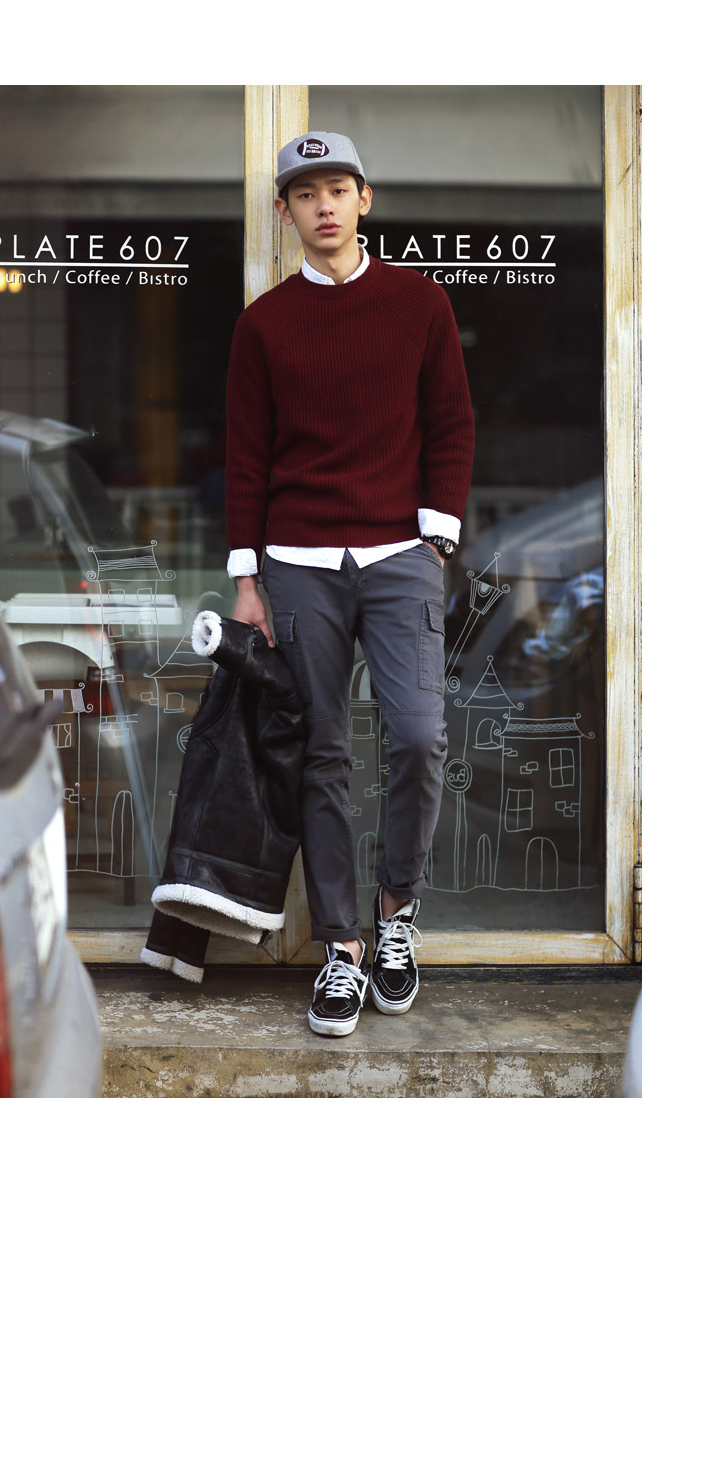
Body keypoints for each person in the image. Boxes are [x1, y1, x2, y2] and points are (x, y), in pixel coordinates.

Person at [225, 130, 475, 1035]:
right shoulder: (265, 324)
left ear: (364, 199)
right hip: (298, 564)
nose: (323, 205)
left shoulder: (419, 303)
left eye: (337, 188)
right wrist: (247, 577)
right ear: (285, 211)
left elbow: (451, 422)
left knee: (417, 736)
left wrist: (436, 534)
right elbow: (246, 455)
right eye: (305, 193)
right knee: (322, 751)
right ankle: (341, 946)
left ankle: (396, 914)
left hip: (400, 555)